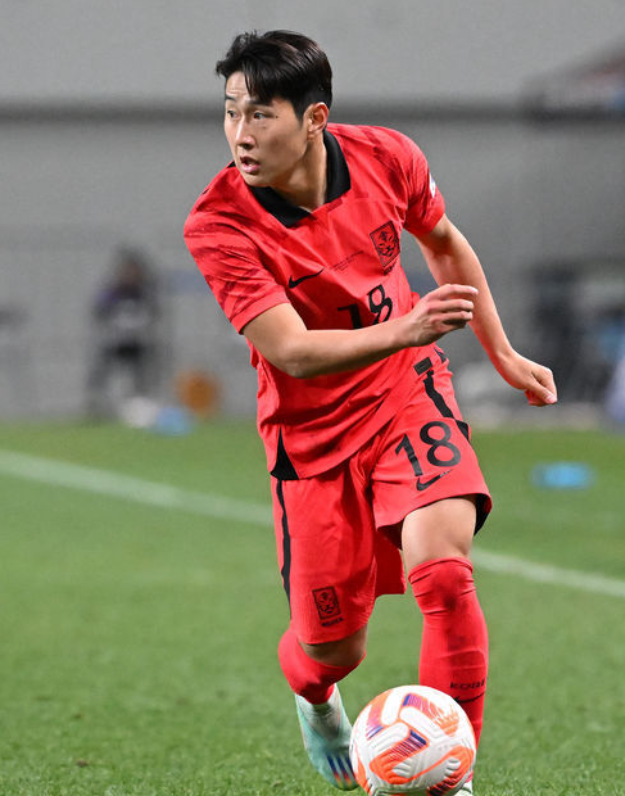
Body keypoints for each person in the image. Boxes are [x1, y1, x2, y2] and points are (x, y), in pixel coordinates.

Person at [184, 30, 557, 794]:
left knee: (444, 574)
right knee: (332, 650)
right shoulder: (219, 225)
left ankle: (450, 777)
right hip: (311, 437)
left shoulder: (387, 157)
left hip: (404, 392)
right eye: (230, 112)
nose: (240, 134)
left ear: (314, 118)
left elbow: (443, 244)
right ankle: (313, 697)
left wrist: (500, 352)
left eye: (260, 114)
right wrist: (406, 328)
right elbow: (291, 351)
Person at [86, 247, 161, 418]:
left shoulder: (144, 293)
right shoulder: (113, 292)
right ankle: (98, 406)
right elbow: (99, 309)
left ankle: (140, 406)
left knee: (142, 374)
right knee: (101, 372)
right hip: (115, 342)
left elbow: (154, 313)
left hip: (138, 343)